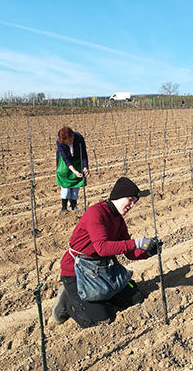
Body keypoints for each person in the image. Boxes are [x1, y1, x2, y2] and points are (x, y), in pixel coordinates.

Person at [52, 177, 161, 328]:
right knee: (98, 319)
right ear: (118, 195)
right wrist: (137, 242)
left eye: (135, 202)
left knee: (134, 296)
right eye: (130, 200)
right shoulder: (96, 213)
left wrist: (148, 252)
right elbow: (102, 248)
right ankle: (68, 300)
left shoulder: (119, 220)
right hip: (77, 271)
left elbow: (129, 253)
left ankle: (99, 296)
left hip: (101, 270)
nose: (132, 205)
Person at [56, 126, 90, 213]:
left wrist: (85, 167)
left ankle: (74, 205)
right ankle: (64, 207)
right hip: (65, 163)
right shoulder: (60, 142)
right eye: (66, 142)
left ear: (72, 136)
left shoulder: (79, 138)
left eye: (70, 140)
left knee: (76, 183)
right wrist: (74, 171)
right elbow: (66, 159)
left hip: (77, 160)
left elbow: (84, 154)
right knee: (66, 185)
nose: (69, 143)